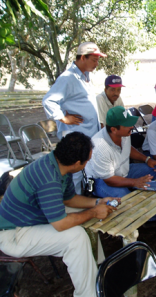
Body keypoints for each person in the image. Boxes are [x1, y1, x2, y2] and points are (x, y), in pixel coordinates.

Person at [0, 132, 122, 297]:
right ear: (77, 163)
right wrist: (93, 212)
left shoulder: (59, 165)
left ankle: (97, 272)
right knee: (76, 236)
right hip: (13, 235)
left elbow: (69, 199)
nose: (88, 163)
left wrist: (97, 202)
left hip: (31, 220)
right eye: (87, 160)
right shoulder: (48, 177)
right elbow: (60, 224)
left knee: (81, 217)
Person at [42, 42, 106, 194]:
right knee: (74, 171)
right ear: (83, 57)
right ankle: (72, 203)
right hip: (75, 134)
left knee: (84, 168)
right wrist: (63, 117)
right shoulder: (68, 78)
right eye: (94, 60)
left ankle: (80, 198)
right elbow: (48, 101)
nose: (97, 64)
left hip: (87, 132)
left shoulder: (84, 76)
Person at [85, 106, 156, 198]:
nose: (132, 126)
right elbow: (109, 180)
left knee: (155, 170)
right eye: (127, 125)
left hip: (122, 171)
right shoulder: (99, 146)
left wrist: (147, 159)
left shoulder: (124, 133)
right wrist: (135, 182)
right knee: (125, 197)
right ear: (114, 129)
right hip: (102, 180)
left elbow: (128, 148)